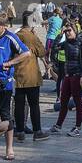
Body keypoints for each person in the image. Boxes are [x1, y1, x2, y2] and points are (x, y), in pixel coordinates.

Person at [0, 13, 32, 159]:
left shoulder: (10, 38)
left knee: (6, 117)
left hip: (5, 83)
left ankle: (9, 148)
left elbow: (26, 53)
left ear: (5, 26)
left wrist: (10, 63)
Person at [14, 11, 50, 142]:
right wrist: (36, 37)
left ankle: (20, 132)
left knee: (19, 104)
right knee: (34, 104)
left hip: (18, 75)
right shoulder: (31, 36)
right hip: (31, 76)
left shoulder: (16, 35)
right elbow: (42, 51)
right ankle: (37, 131)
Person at [50, 20, 82, 134]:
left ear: (75, 31)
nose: (68, 33)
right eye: (66, 31)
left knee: (77, 102)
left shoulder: (81, 43)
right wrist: (60, 34)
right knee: (63, 102)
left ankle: (77, 127)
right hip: (67, 76)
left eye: (69, 31)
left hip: (77, 76)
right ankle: (58, 125)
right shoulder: (66, 43)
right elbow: (54, 48)